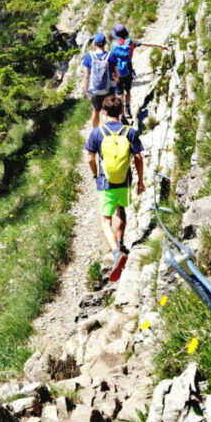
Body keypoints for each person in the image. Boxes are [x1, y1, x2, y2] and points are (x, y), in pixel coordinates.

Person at [84, 94, 145, 281]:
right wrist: (141, 181)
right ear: (120, 111)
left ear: (104, 111)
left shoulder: (96, 133)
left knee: (105, 220)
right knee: (121, 210)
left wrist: (96, 175)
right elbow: (138, 158)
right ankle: (120, 242)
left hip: (106, 181)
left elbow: (90, 158)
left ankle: (116, 253)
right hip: (124, 180)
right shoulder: (130, 132)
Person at [109, 23, 169, 120]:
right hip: (128, 71)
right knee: (128, 90)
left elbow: (111, 59)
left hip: (117, 73)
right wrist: (161, 46)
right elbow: (147, 44)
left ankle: (122, 113)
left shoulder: (114, 44)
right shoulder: (131, 42)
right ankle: (128, 109)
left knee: (119, 93)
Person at [81, 32, 116, 128]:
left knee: (96, 110)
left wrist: (86, 90)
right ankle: (108, 130)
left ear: (95, 44)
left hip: (95, 90)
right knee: (108, 110)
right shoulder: (111, 55)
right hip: (109, 88)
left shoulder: (88, 57)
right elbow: (117, 74)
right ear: (105, 43)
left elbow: (86, 75)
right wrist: (117, 81)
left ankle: (95, 132)